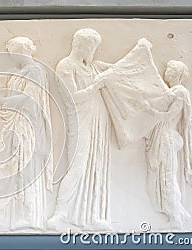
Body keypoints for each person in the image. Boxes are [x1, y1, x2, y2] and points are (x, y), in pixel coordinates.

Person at [49, 29, 112, 230]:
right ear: (83, 46)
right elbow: (73, 97)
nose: (94, 52)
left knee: (95, 167)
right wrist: (96, 85)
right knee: (78, 166)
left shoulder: (92, 67)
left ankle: (93, 216)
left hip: (96, 121)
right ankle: (60, 214)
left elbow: (118, 70)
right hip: (80, 121)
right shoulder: (66, 66)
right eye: (92, 48)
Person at [0, 37, 53, 229]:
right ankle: (11, 217)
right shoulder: (19, 72)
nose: (11, 57)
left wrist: (4, 100)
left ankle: (30, 216)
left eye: (12, 53)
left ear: (21, 50)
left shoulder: (35, 71)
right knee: (14, 169)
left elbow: (29, 98)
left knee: (26, 168)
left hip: (27, 125)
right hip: (15, 124)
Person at [144, 60, 192, 227]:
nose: (166, 72)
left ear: (176, 74)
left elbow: (168, 116)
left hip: (166, 138)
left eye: (170, 70)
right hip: (163, 137)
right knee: (164, 177)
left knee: (167, 177)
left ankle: (176, 217)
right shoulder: (172, 92)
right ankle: (179, 212)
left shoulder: (180, 92)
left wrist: (148, 109)